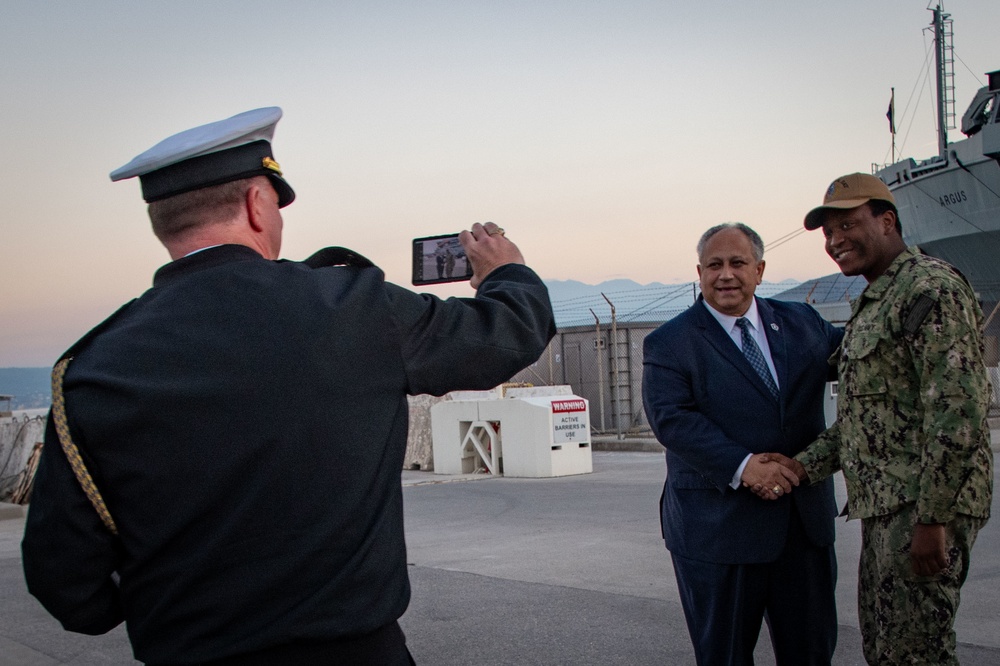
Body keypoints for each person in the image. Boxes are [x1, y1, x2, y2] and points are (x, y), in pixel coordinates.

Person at [21, 107, 556, 665]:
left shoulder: (93, 365)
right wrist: (503, 272)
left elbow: (65, 581)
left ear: (162, 222)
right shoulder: (354, 309)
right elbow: (507, 335)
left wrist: (168, 608)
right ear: (257, 204)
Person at [776, 172, 993, 665]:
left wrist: (933, 520)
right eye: (829, 233)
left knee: (917, 654)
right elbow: (867, 421)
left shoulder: (928, 288)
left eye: (848, 225)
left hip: (922, 505)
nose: (835, 241)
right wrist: (799, 467)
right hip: (888, 507)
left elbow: (957, 411)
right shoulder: (877, 300)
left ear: (887, 221)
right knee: (887, 649)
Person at [641, 223, 843, 665]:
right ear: (700, 272)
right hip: (718, 533)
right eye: (714, 265)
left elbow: (862, 359)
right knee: (725, 657)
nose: (726, 275)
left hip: (801, 529)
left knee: (811, 653)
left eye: (737, 263)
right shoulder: (670, 342)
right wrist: (745, 465)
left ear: (760, 269)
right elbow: (672, 420)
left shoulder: (803, 323)